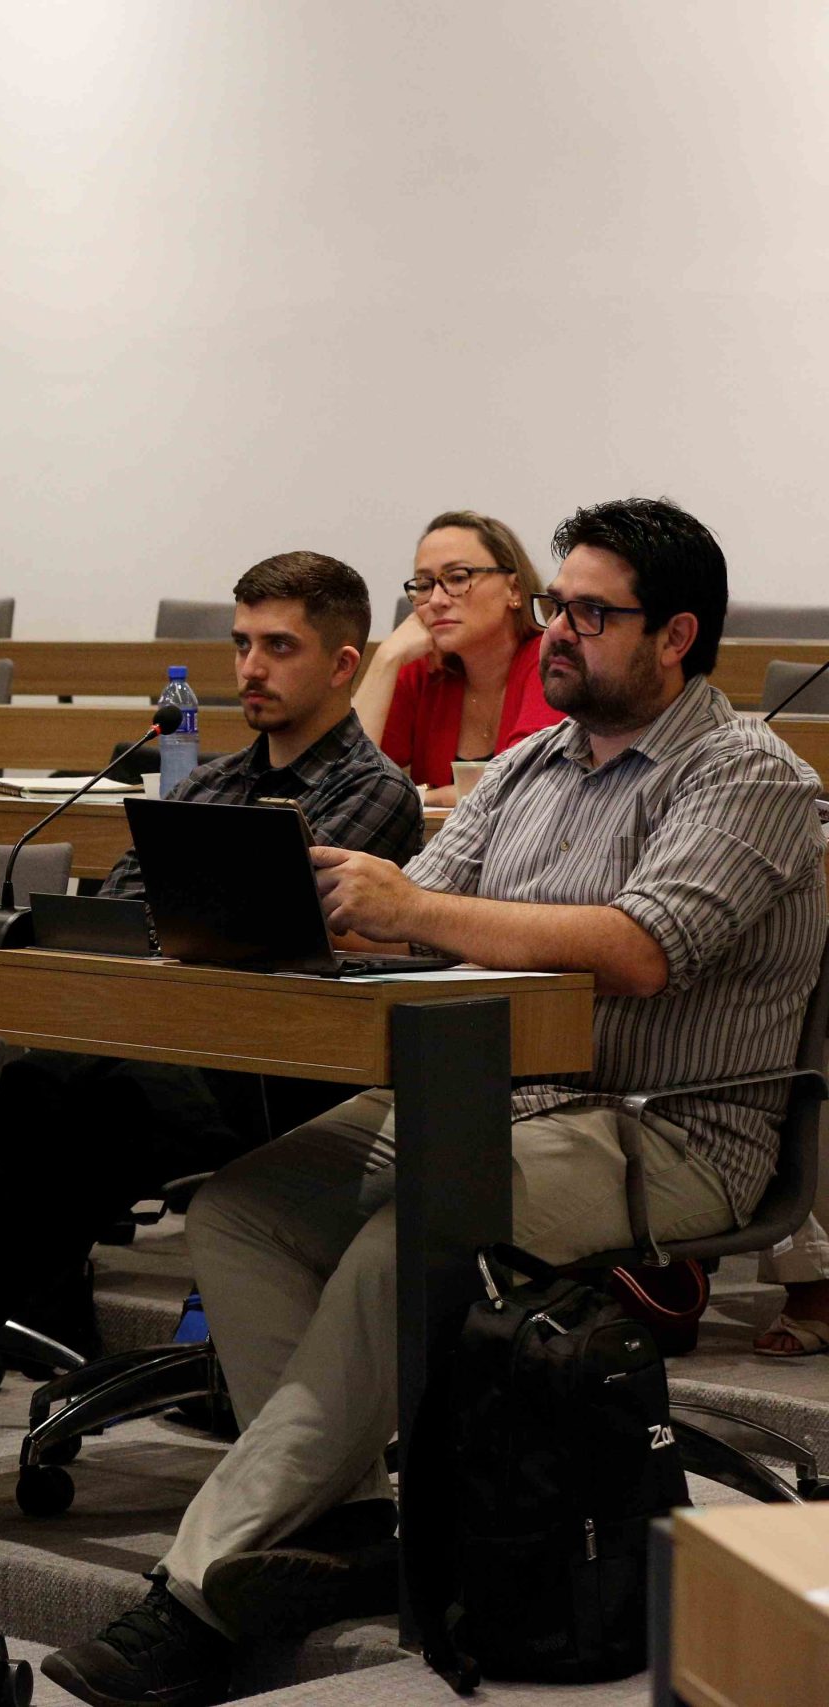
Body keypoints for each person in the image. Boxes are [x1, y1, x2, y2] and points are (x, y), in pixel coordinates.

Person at [46, 498, 828, 1707]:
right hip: (486, 1102)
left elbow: (640, 948)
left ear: (674, 636)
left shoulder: (749, 777)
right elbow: (409, 921)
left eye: (587, 611)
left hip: (668, 1124)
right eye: (556, 604)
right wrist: (296, 925)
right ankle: (348, 1526)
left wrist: (407, 910)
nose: (556, 630)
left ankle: (197, 1585)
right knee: (243, 1213)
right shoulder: (531, 766)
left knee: (402, 1237)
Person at [0, 553, 424, 1378]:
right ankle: (30, 1310)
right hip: (170, 1040)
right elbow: (129, 907)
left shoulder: (376, 789)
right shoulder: (205, 783)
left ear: (343, 664)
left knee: (66, 1097)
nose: (251, 667)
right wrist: (185, 921)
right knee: (23, 1077)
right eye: (241, 643)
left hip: (277, 1072)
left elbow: (277, 927)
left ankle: (13, 1311)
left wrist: (183, 922)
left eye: (279, 646)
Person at [351, 509, 560, 803]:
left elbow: (524, 783)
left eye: (458, 578)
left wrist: (419, 798)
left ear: (513, 589)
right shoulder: (423, 670)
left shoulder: (550, 660)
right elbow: (346, 778)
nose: (436, 600)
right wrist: (387, 658)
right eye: (424, 585)